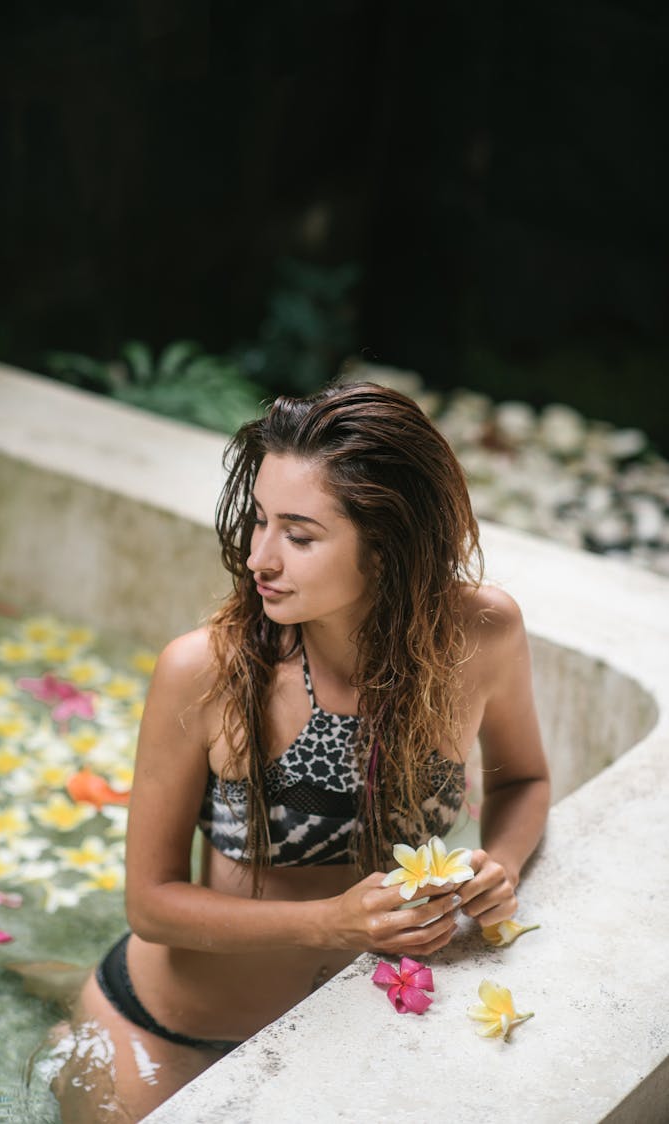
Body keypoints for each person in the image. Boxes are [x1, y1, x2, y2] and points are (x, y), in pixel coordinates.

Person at [54, 381, 550, 1122]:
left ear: (387, 544)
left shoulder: (481, 636)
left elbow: (527, 780)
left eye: (300, 534)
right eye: (258, 521)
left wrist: (501, 867)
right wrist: (334, 923)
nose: (259, 557)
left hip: (345, 1037)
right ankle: (66, 998)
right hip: (173, 1034)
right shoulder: (205, 672)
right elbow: (150, 905)